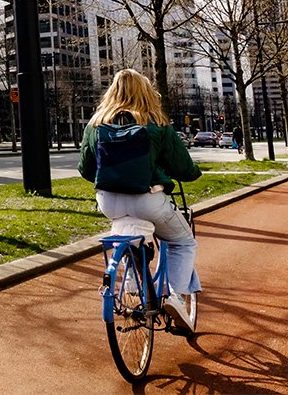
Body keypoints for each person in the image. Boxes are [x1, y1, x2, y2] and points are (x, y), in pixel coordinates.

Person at [78, 69, 202, 332]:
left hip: (109, 202)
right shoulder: (155, 122)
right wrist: (193, 174)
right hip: (148, 199)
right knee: (183, 242)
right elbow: (182, 166)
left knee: (125, 234)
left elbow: (86, 169)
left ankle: (133, 283)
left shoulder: (96, 124)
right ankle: (176, 297)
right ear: (146, 91)